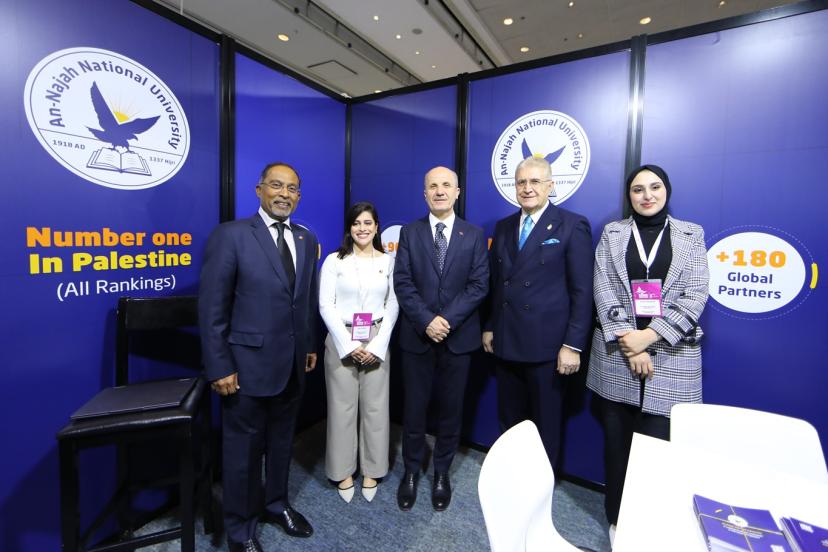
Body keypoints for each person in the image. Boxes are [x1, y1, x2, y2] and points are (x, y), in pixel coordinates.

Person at [199, 162, 317, 552]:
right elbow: (212, 308)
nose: (284, 194)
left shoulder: (305, 238)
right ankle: (240, 530)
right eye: (276, 185)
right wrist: (220, 365)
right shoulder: (231, 235)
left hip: (292, 365)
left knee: (282, 443)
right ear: (259, 190)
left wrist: (309, 345)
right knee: (242, 454)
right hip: (245, 368)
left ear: (299, 196)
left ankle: (276, 504)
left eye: (292, 188)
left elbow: (303, 302)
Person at [586, 164, 709, 539]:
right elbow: (603, 287)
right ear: (629, 196)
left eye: (655, 187)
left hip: (671, 359)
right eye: (638, 189)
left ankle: (650, 528)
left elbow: (695, 294)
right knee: (617, 448)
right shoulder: (613, 233)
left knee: (658, 453)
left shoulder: (691, 234)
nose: (647, 195)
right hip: (619, 358)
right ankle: (618, 522)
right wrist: (632, 341)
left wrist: (650, 336)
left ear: (666, 191)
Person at [483, 156, 593, 468]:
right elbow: (497, 285)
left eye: (535, 181)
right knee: (510, 421)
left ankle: (542, 486)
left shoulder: (572, 225)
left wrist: (572, 345)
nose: (527, 188)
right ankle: (512, 478)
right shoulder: (504, 226)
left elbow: (582, 292)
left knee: (545, 424)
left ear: (550, 185)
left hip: (548, 348)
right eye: (521, 182)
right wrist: (490, 325)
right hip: (506, 342)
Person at [393, 166, 489, 511]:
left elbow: (479, 285)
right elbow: (402, 282)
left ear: (457, 192)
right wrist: (426, 321)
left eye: (446, 185)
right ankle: (411, 471)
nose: (439, 191)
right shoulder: (410, 232)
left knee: (451, 410)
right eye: (432, 186)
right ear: (424, 193)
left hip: (458, 338)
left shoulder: (474, 234)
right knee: (414, 410)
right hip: (417, 337)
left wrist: (445, 320)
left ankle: (441, 473)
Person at [318, 202, 399, 504]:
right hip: (341, 337)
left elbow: (393, 304)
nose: (362, 228)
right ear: (349, 228)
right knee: (342, 408)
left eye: (368, 223)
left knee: (376, 407)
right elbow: (325, 305)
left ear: (377, 227)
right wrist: (350, 345)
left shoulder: (388, 262)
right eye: (356, 223)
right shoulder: (334, 261)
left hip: (377, 336)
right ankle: (342, 471)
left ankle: (372, 469)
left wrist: (377, 345)